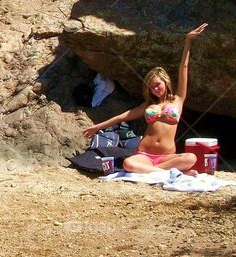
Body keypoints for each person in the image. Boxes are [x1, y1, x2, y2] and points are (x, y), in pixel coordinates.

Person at [82, 24, 208, 174]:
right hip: (144, 155)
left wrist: (188, 41)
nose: (154, 89)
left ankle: (155, 171)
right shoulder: (148, 104)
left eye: (157, 85)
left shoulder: (178, 99)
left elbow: (184, 68)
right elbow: (122, 116)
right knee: (129, 163)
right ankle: (168, 172)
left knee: (191, 158)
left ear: (166, 82)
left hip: (167, 156)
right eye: (151, 87)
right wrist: (98, 127)